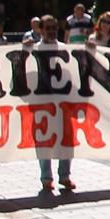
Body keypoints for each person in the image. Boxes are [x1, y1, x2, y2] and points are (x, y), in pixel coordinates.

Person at [31, 16, 74, 193]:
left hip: (62, 103)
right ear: (40, 30)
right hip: (42, 103)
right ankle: (46, 178)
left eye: (54, 28)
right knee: (43, 141)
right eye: (48, 28)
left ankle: (65, 175)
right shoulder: (33, 50)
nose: (51, 31)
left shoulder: (66, 50)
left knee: (66, 139)